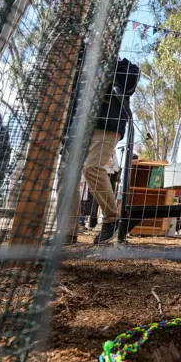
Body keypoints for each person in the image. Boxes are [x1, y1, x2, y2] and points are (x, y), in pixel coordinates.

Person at [65, 57, 138, 244]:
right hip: (77, 127)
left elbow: (128, 84)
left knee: (92, 167)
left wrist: (107, 72)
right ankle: (67, 232)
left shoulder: (125, 67)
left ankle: (112, 218)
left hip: (107, 125)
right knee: (66, 174)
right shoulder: (79, 64)